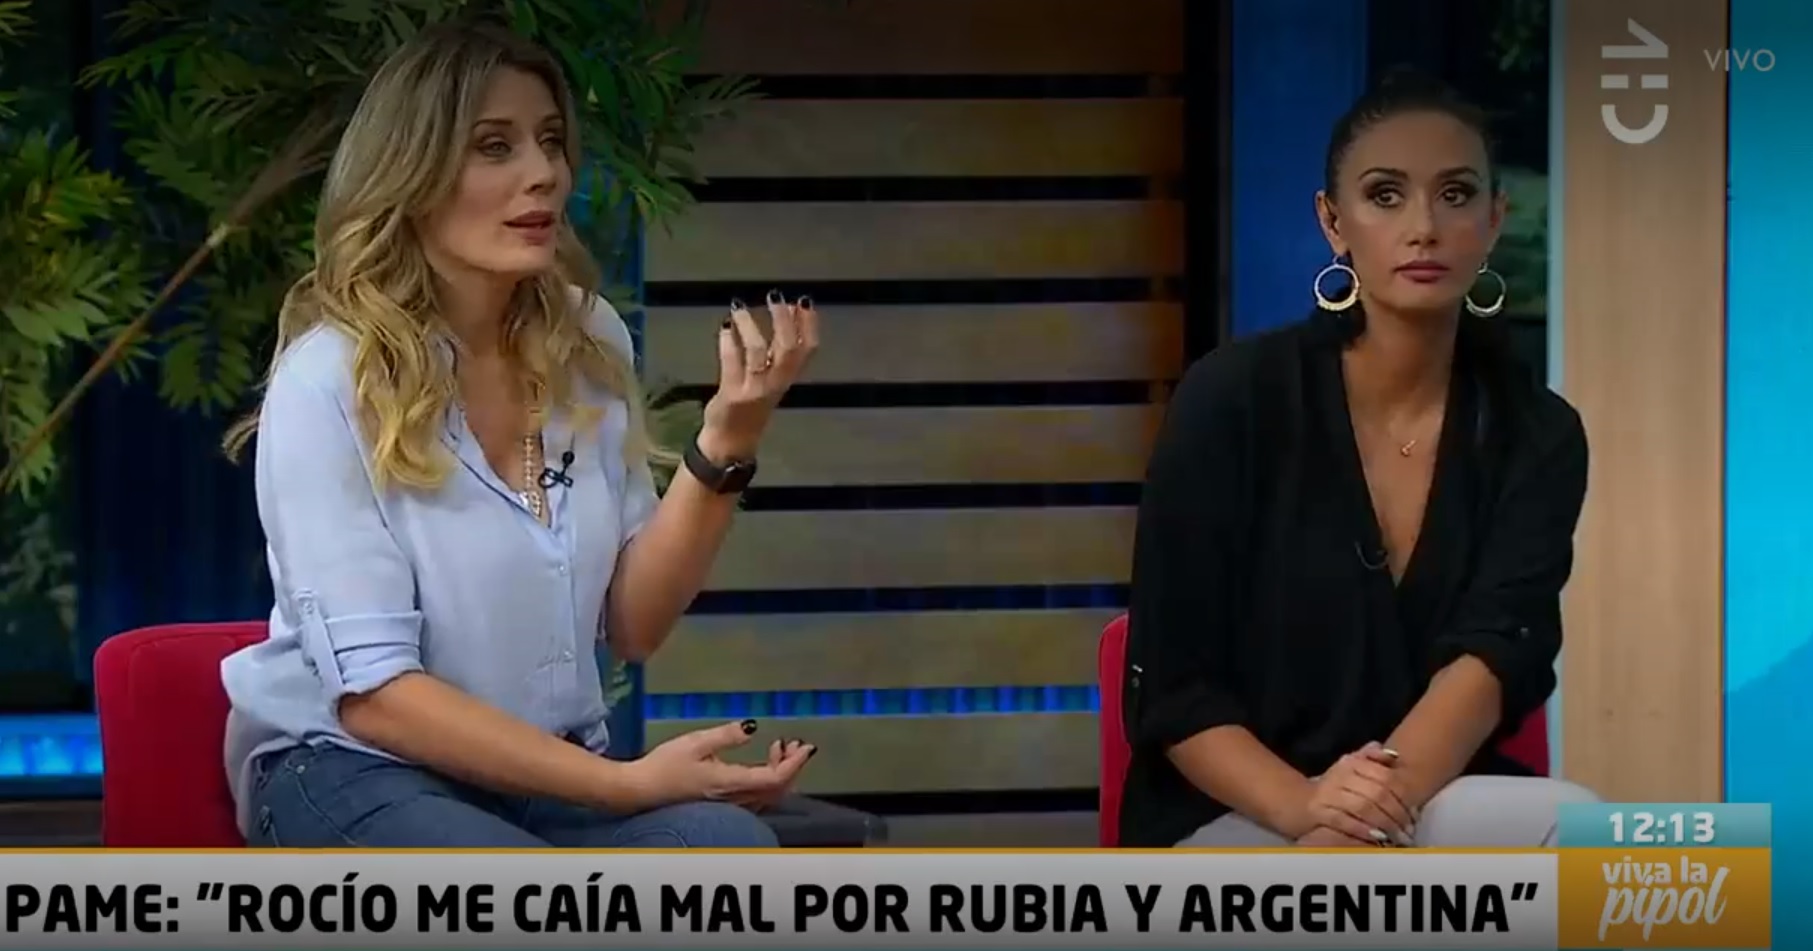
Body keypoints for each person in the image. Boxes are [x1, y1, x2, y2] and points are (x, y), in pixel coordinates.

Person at [217, 21, 821, 848]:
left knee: (726, 847)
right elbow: (375, 696)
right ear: (412, 173)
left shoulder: (588, 338)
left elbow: (633, 623)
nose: (543, 173)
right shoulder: (328, 377)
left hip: (543, 773)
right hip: (353, 767)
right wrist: (622, 785)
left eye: (551, 142)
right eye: (494, 146)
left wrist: (726, 440)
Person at [1120, 69, 1599, 850]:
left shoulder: (1536, 432)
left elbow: (1491, 657)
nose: (1423, 227)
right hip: (1239, 807)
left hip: (1422, 797)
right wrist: (1306, 809)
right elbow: (1174, 687)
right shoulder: (1231, 398)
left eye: (1454, 194)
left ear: (1492, 219)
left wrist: (1362, 821)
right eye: (1385, 195)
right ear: (1332, 221)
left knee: (1594, 839)